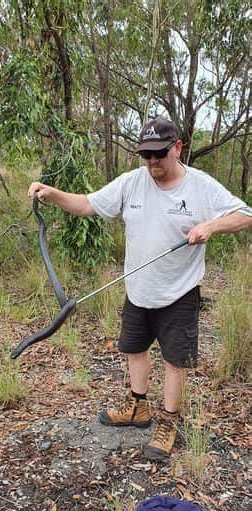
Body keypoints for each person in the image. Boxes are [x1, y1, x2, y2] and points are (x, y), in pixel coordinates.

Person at [28, 116, 252, 461]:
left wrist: (212, 224)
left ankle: (168, 422)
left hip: (179, 293)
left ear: (177, 148)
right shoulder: (133, 182)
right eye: (145, 155)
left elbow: (245, 215)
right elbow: (88, 204)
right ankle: (138, 407)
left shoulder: (202, 187)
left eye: (159, 155)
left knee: (174, 361)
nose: (152, 163)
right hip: (138, 289)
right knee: (134, 349)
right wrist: (52, 194)